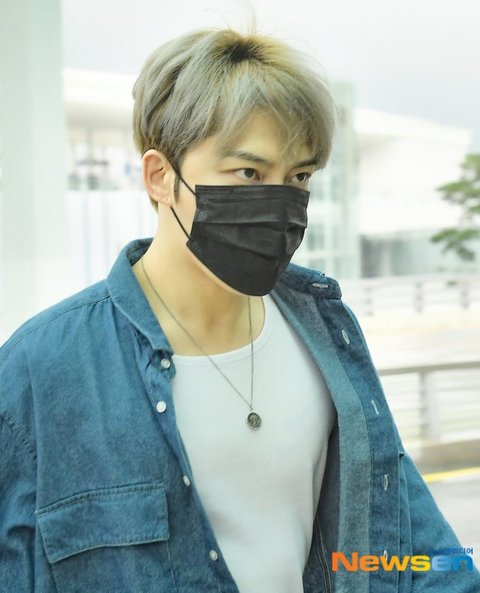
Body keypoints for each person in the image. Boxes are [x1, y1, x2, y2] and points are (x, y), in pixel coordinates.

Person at [0, 27, 478, 593]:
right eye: (249, 173)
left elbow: (411, 547)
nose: (281, 202)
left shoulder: (326, 332)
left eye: (299, 176)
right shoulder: (42, 368)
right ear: (160, 177)